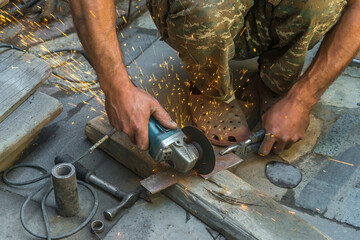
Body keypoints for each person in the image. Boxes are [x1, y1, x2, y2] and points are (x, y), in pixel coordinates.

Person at [68, 0, 360, 155]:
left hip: (267, 15)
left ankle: (277, 79)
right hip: (203, 11)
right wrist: (117, 87)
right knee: (201, 10)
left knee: (321, 3)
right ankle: (212, 89)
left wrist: (303, 97)